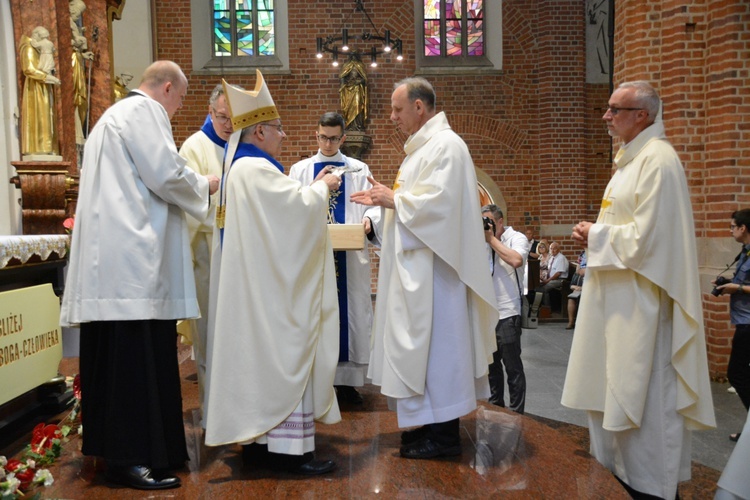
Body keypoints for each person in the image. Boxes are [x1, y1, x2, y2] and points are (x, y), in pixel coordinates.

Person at [60, 61, 220, 491]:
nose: (177, 110)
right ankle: (130, 458)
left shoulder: (109, 118)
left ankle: (130, 451)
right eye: (181, 100)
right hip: (133, 269)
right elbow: (167, 173)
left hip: (113, 269)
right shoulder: (142, 113)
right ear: (167, 88)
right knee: (134, 364)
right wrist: (205, 184)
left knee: (116, 362)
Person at [561, 81, 716, 498]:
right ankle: (626, 480)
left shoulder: (659, 161)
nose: (606, 116)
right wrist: (595, 234)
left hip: (644, 308)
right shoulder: (630, 162)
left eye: (615, 109)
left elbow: (649, 239)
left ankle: (654, 488)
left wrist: (596, 234)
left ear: (642, 115)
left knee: (648, 401)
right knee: (618, 392)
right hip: (619, 302)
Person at [350, 77, 496, 459]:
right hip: (417, 271)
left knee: (440, 352)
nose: (393, 116)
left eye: (398, 109)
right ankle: (430, 424)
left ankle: (445, 436)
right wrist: (380, 213)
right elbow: (410, 206)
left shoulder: (447, 147)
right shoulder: (419, 150)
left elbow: (442, 207)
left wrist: (394, 199)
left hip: (438, 276)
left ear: (419, 107)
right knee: (424, 353)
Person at [204, 71, 342, 475]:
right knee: (282, 356)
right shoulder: (255, 170)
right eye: (278, 129)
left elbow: (282, 213)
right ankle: (290, 454)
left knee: (256, 366)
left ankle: (259, 447)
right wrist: (325, 188)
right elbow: (295, 215)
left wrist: (310, 189)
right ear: (260, 130)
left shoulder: (242, 170)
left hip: (254, 290)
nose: (283, 136)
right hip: (269, 297)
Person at [288, 112, 382, 405]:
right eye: (322, 137)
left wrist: (369, 221)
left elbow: (372, 203)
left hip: (350, 258)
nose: (327, 143)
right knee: (316, 313)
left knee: (349, 315)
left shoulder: (358, 168)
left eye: (333, 138)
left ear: (343, 137)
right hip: (313, 258)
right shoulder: (300, 170)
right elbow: (292, 205)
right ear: (316, 135)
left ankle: (347, 385)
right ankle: (318, 381)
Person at [176, 83, 234, 417]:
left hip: (239, 259)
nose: (227, 124)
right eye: (221, 116)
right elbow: (186, 206)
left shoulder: (241, 143)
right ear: (210, 112)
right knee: (212, 339)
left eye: (232, 117)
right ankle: (214, 414)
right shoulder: (194, 147)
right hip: (208, 260)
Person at [482, 204, 529, 414]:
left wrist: (491, 240)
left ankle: (517, 414)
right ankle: (496, 409)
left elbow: (516, 260)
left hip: (508, 311)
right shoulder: (480, 241)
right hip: (487, 312)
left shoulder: (516, 237)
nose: (486, 225)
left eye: (489, 221)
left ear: (500, 221)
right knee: (491, 368)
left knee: (513, 368)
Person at [713, 209, 750, 443]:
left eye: (732, 226)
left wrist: (734, 289)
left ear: (743, 228)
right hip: (744, 320)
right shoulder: (745, 252)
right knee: (740, 374)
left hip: (749, 323)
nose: (730, 230)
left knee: (735, 374)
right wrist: (727, 282)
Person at [19, 26, 61, 156]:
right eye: (43, 38)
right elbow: (29, 69)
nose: (45, 41)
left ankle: (48, 148)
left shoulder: (38, 47)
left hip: (44, 85)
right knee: (39, 115)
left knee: (47, 115)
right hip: (35, 87)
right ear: (36, 35)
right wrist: (47, 77)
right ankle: (39, 148)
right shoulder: (29, 47)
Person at [339, 57, 368, 131]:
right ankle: (349, 125)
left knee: (357, 105)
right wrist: (343, 85)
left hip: (357, 88)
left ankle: (358, 125)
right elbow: (342, 77)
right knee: (349, 107)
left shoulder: (360, 65)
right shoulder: (347, 65)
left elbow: (364, 79)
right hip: (348, 89)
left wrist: (360, 81)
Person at [565, 250, 586, 329]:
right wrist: (576, 287)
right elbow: (571, 285)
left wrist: (582, 288)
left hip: (586, 291)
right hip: (577, 291)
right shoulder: (577, 274)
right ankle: (571, 322)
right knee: (571, 299)